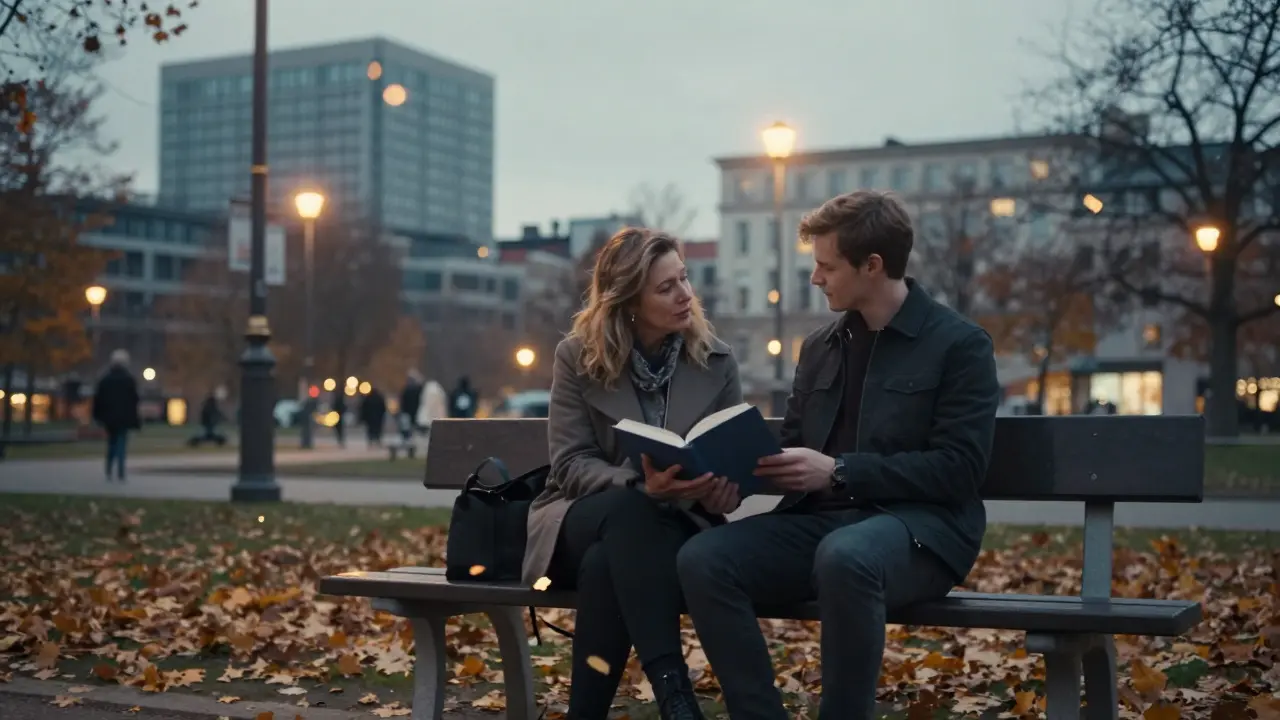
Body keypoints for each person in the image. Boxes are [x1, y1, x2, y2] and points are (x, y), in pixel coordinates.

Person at [676, 191, 1000, 720]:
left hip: (920, 531)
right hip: (823, 526)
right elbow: (794, 451)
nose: (816, 278)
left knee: (847, 557)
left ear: (872, 265)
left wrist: (841, 472)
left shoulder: (959, 345)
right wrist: (732, 477)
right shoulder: (822, 346)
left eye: (826, 266)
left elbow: (960, 469)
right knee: (704, 558)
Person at [525, 227, 743, 720]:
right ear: (627, 300)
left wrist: (722, 490)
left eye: (684, 279)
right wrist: (641, 485)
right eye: (666, 287)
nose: (685, 294)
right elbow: (571, 464)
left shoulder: (716, 361)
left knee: (608, 564)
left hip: (680, 525)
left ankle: (610, 709)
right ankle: (673, 690)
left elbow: (731, 453)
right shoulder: (577, 357)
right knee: (628, 511)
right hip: (582, 516)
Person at [92, 349, 142, 482]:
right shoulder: (129, 380)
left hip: (109, 418)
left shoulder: (105, 380)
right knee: (121, 443)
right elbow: (134, 401)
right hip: (124, 418)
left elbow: (98, 400)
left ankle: (109, 468)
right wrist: (135, 420)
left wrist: (97, 416)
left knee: (111, 442)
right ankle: (120, 470)